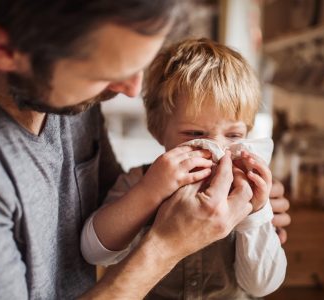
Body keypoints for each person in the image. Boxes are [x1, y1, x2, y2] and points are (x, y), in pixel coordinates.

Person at [0, 1, 290, 299]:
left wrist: (258, 215)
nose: (132, 90)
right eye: (105, 73)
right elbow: (97, 244)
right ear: (5, 50)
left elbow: (262, 281)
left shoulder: (73, 98)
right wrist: (167, 243)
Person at [81, 38, 287, 299]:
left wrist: (256, 215)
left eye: (233, 135)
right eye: (195, 133)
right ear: (158, 131)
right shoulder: (140, 181)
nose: (218, 149)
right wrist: (149, 192)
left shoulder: (247, 193)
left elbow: (261, 285)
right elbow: (94, 252)